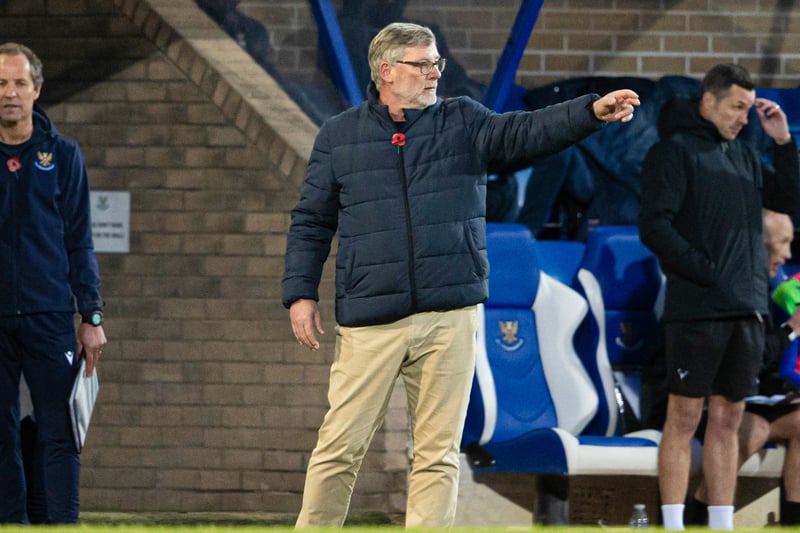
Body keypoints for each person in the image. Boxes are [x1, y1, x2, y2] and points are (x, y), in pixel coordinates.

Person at [282, 22, 639, 528]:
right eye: (421, 64)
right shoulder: (340, 136)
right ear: (386, 71)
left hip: (449, 314)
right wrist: (300, 293)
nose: (433, 73)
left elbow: (526, 131)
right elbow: (312, 220)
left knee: (437, 454)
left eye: (436, 63)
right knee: (339, 449)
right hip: (371, 319)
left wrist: (590, 111)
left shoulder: (462, 120)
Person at [639, 63, 800, 530]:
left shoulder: (746, 157)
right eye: (736, 107)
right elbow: (654, 226)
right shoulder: (674, 152)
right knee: (685, 414)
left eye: (749, 109)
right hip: (699, 307)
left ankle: (720, 523)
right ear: (708, 101)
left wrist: (784, 142)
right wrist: (705, 273)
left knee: (729, 418)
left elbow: (790, 198)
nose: (743, 118)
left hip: (748, 308)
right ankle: (672, 522)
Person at [0, 42, 107, 524]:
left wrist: (92, 316)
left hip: (49, 318)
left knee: (59, 434)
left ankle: (61, 526)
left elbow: (80, 240)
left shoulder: (62, 155)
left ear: (36, 90)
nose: (9, 93)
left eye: (19, 83)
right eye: (0, 83)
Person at [641, 210, 800, 526]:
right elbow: (746, 357)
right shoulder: (725, 291)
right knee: (750, 426)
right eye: (782, 243)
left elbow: (755, 369)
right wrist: (791, 329)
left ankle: (793, 524)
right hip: (683, 404)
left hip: (740, 400)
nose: (788, 255)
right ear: (758, 244)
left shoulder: (768, 288)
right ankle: (700, 520)